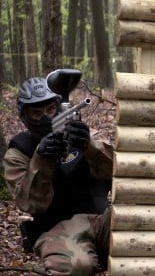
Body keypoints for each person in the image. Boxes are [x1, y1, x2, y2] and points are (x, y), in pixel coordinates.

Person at [3, 76, 113, 275]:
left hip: (102, 219)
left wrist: (89, 146)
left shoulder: (84, 134)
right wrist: (42, 159)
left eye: (50, 110)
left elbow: (120, 171)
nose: (45, 117)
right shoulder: (18, 153)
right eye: (36, 113)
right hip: (57, 229)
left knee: (146, 230)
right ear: (24, 116)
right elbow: (30, 203)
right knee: (76, 266)